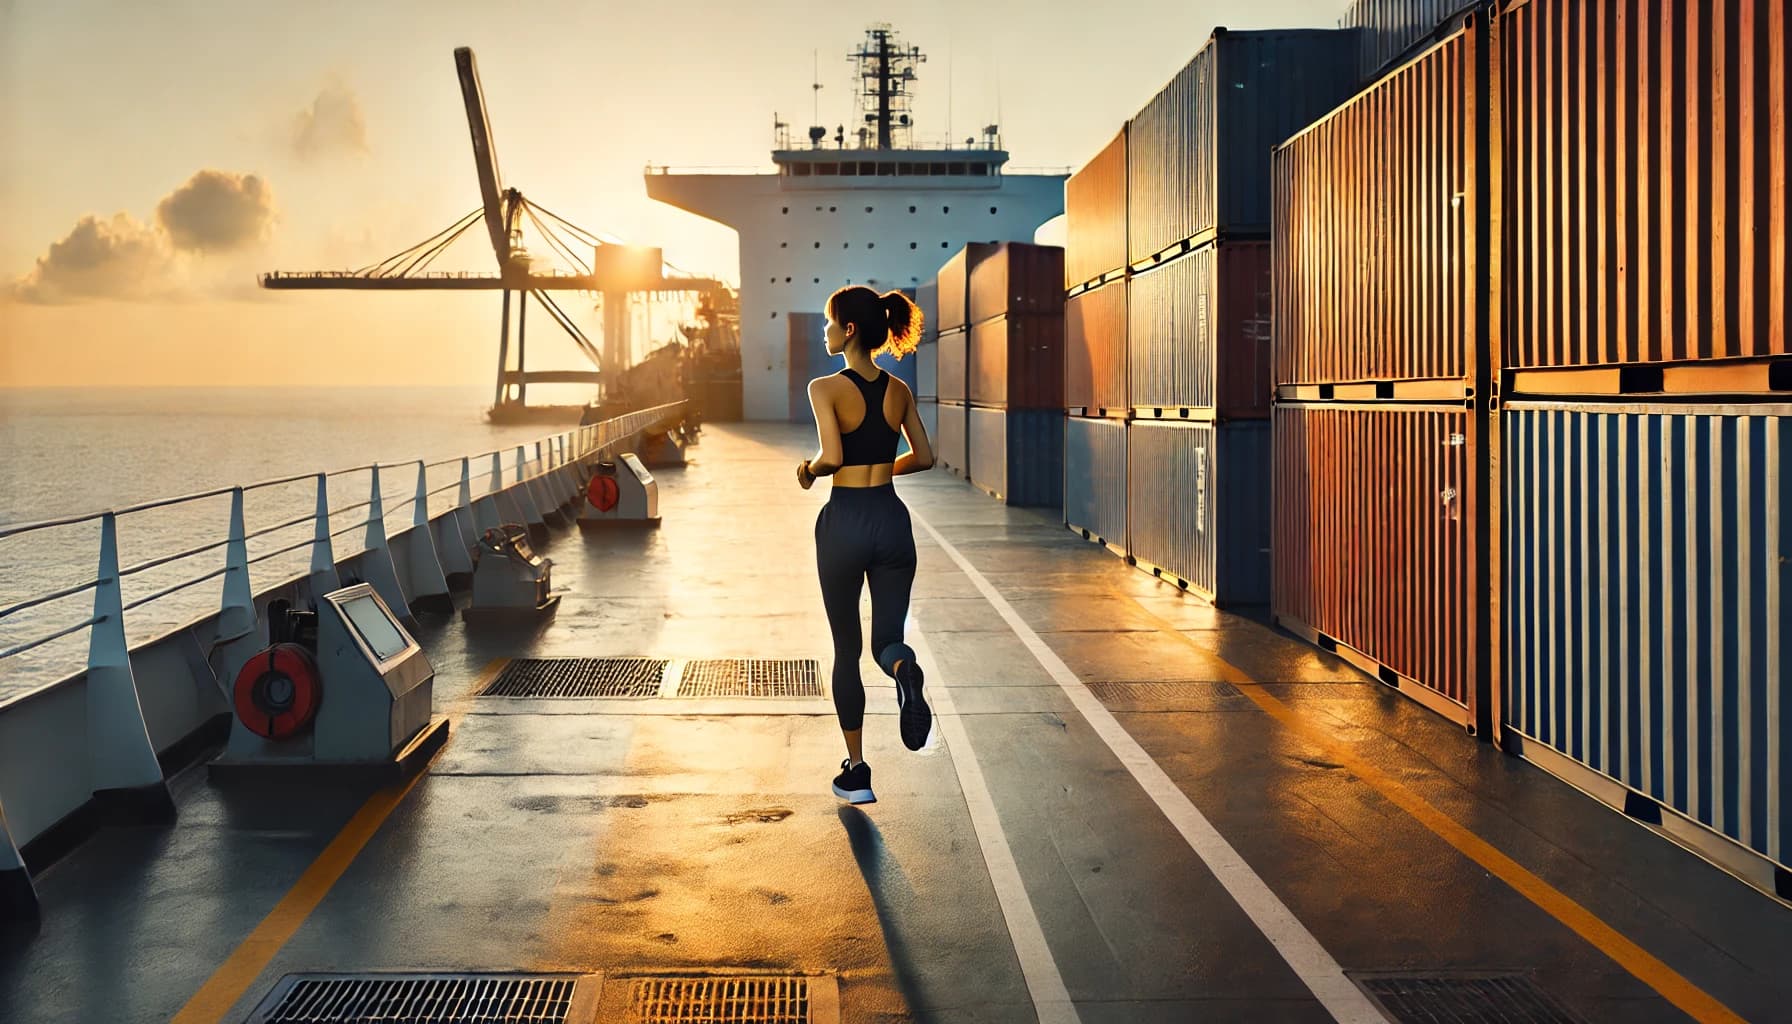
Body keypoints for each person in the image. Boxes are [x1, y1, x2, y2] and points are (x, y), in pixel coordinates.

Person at [797, 285, 935, 806]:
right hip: (891, 520)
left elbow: (830, 456)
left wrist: (808, 471)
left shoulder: (824, 387)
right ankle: (904, 671)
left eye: (830, 322)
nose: (825, 331)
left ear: (849, 329)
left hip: (846, 522)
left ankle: (857, 773)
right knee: (886, 643)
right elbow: (924, 456)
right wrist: (880, 470)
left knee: (846, 649)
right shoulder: (898, 389)